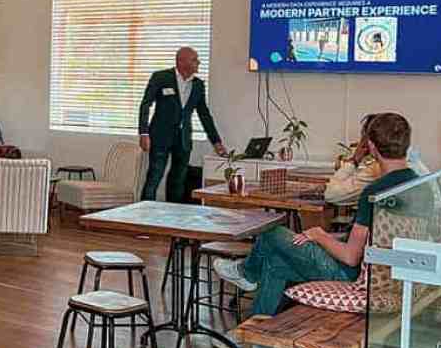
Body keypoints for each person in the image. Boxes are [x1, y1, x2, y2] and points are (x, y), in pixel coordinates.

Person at [214, 113, 419, 317]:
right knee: (274, 263)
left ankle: (246, 274)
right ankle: (254, 333)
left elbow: (350, 257)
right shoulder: (420, 185)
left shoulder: (375, 193)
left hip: (351, 277)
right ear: (406, 144)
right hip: (396, 279)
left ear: (372, 147)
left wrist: (319, 235)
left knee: (271, 232)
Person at [138, 47, 228, 203]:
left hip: (184, 139)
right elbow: (145, 105)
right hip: (160, 137)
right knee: (154, 177)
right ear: (181, 61)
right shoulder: (161, 77)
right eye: (194, 60)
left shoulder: (198, 84)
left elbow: (204, 115)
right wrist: (144, 133)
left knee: (178, 181)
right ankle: (142, 217)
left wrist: (216, 142)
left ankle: (173, 217)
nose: (198, 63)